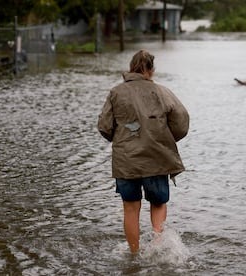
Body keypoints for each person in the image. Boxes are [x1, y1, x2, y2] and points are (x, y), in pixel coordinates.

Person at [97, 50, 189, 253]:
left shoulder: (116, 93)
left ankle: (134, 254)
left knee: (130, 208)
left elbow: (104, 127)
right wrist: (164, 138)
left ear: (131, 68)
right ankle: (157, 249)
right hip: (157, 158)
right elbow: (181, 122)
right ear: (151, 70)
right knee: (158, 204)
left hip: (126, 161)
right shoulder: (162, 92)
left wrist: (123, 140)